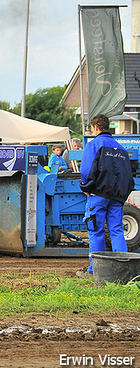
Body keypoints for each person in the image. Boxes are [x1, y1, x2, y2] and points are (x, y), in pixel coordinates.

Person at [77, 114, 135, 279]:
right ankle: (122, 271)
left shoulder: (94, 144)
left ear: (95, 128)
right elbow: (128, 175)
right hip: (117, 197)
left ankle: (95, 271)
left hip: (98, 195)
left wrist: (86, 187)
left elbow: (86, 170)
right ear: (108, 127)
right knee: (116, 230)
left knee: (96, 230)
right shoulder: (121, 148)